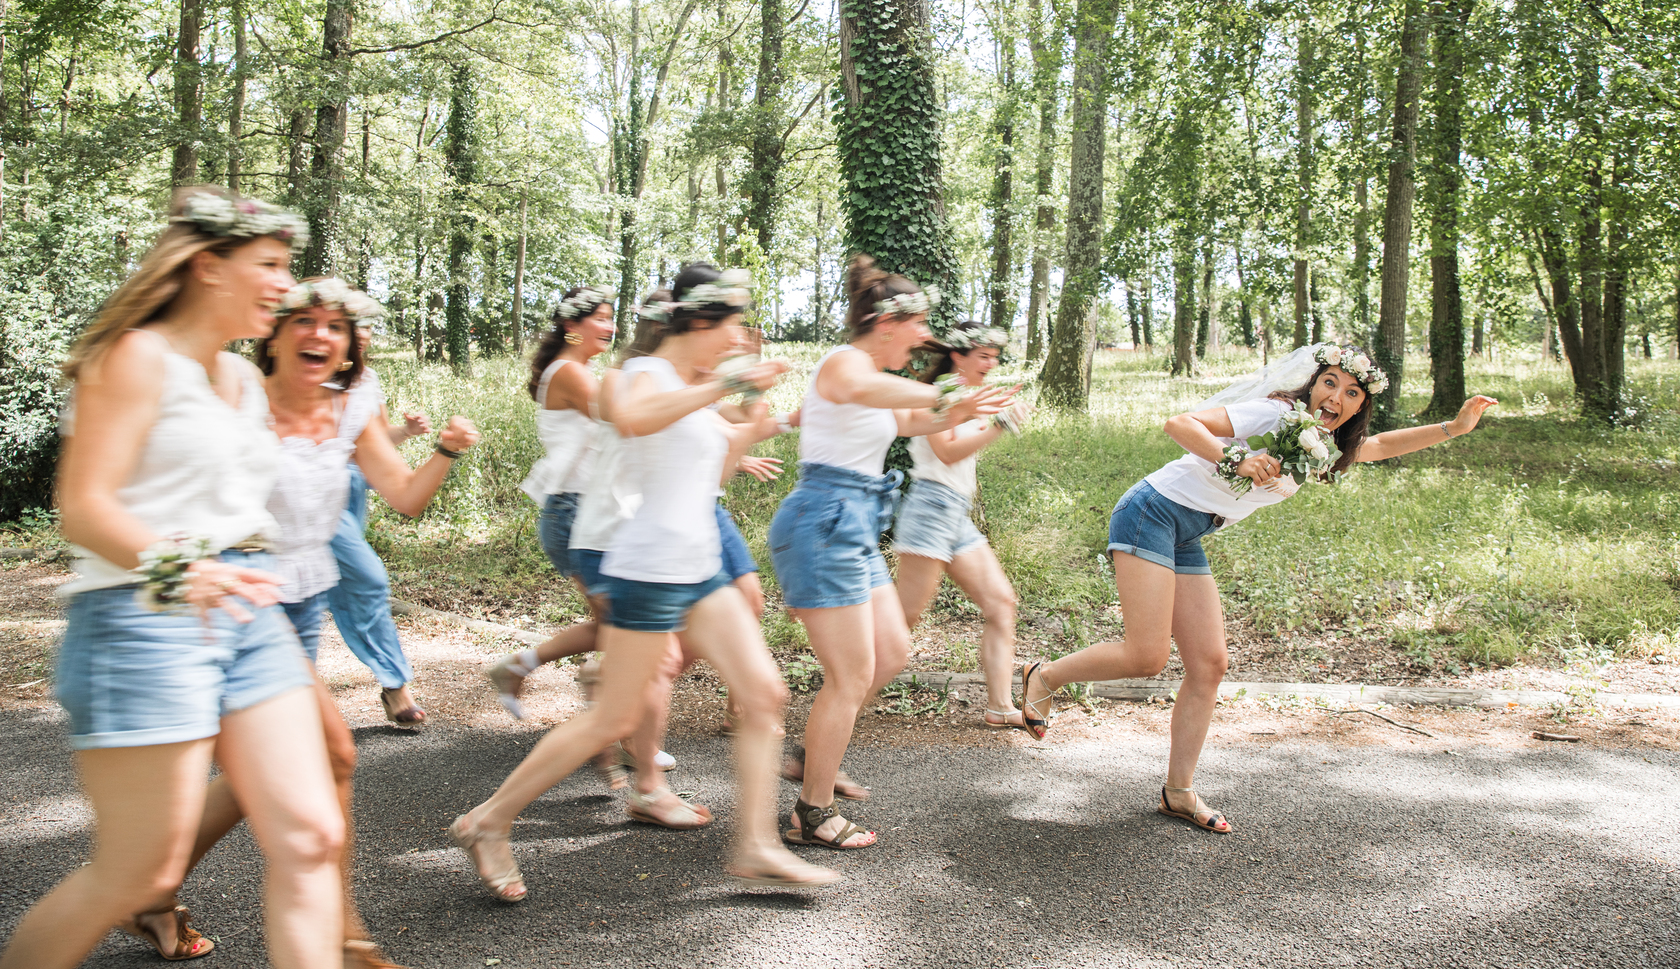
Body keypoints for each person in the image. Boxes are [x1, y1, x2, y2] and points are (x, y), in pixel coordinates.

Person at [1, 189, 343, 969]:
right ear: (207, 267)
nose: (285, 287)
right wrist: (183, 566)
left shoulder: (241, 380)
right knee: (140, 872)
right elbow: (82, 508)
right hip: (138, 615)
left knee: (311, 834)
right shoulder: (133, 356)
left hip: (245, 609)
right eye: (270, 266)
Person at [450, 264, 839, 897]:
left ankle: (757, 847)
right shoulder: (642, 374)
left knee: (765, 694)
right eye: (734, 323)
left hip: (700, 563)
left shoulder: (695, 382)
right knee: (612, 717)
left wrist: (759, 407)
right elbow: (633, 419)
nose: (741, 336)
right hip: (650, 566)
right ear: (700, 320)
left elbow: (722, 456)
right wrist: (724, 381)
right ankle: (487, 821)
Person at [130, 277, 480, 969]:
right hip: (235, 600)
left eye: (336, 326)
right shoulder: (233, 394)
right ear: (274, 331)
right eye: (305, 321)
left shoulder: (353, 403)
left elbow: (405, 496)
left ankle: (146, 888)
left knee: (273, 770)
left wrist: (445, 450)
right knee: (329, 756)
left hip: (300, 598)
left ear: (350, 343)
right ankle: (339, 936)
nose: (321, 335)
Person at [1017, 343, 1498, 834]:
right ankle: (1045, 676)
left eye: (1351, 392)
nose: (1336, 396)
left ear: (1359, 406)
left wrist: (1454, 429)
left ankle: (1178, 792)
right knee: (1147, 657)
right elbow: (1180, 424)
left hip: (1190, 529)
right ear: (1313, 385)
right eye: (1330, 383)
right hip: (1153, 511)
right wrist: (1236, 460)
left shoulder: (1326, 446)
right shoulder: (1275, 413)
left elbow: (1377, 447)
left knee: (1209, 665)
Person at [768, 255, 1011, 851]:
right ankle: (811, 812)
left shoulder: (878, 379)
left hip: (853, 522)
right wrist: (949, 390)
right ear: (885, 322)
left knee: (893, 650)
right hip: (822, 520)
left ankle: (812, 764)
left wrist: (963, 410)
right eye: (919, 325)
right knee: (850, 674)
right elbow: (874, 390)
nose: (926, 337)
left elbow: (913, 421)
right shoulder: (845, 364)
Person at [894, 321, 1032, 729]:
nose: (991, 364)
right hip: (930, 507)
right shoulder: (938, 395)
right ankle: (846, 689)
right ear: (958, 355)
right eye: (983, 356)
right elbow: (948, 451)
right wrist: (998, 426)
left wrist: (995, 417)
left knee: (1001, 603)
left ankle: (1000, 706)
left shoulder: (968, 396)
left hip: (955, 513)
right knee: (905, 618)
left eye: (995, 356)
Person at [328, 320, 433, 725]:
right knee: (367, 579)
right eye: (353, 324)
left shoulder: (366, 378)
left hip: (354, 489)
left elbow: (373, 439)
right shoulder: (307, 374)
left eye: (368, 324)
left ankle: (391, 685)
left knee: (339, 586)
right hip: (316, 491)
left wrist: (405, 431)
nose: (364, 332)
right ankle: (396, 684)